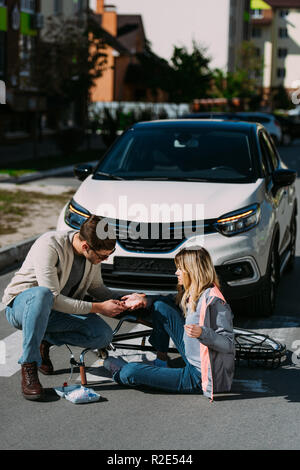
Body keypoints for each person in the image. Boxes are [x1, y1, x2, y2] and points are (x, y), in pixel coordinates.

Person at [2, 215, 131, 401]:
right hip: (22, 308)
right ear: (86, 246)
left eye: (109, 255)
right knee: (43, 294)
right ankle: (29, 364)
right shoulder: (50, 245)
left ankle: (44, 339)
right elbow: (53, 298)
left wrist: (123, 300)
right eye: (103, 256)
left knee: (102, 335)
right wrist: (99, 307)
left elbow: (96, 287)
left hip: (58, 313)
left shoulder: (91, 255)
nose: (105, 259)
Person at [106, 246, 235, 401]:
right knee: (161, 306)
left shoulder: (215, 302)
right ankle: (161, 363)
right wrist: (145, 299)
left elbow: (228, 344)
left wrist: (202, 333)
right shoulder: (193, 293)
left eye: (180, 268)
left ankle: (119, 373)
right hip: (192, 352)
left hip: (199, 375)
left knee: (130, 371)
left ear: (192, 270)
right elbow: (167, 301)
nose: (176, 272)